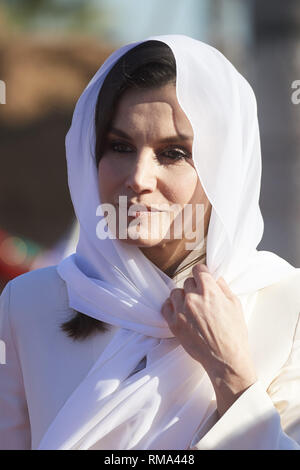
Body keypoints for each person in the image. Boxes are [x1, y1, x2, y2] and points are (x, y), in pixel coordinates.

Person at [0, 34, 299, 451]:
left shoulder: (285, 306)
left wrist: (231, 375)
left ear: (225, 168)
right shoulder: (28, 304)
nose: (139, 178)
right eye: (119, 146)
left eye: (174, 153)